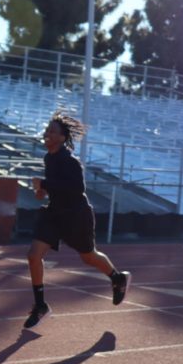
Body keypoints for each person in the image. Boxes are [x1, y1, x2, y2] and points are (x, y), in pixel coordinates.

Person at [25, 111, 131, 328]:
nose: (47, 134)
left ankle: (117, 278)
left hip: (76, 215)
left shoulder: (70, 162)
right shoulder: (49, 158)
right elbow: (56, 188)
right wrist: (42, 192)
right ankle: (40, 306)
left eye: (52, 131)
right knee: (34, 255)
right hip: (54, 214)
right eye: (47, 130)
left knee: (88, 257)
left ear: (63, 138)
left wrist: (44, 185)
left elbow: (76, 189)